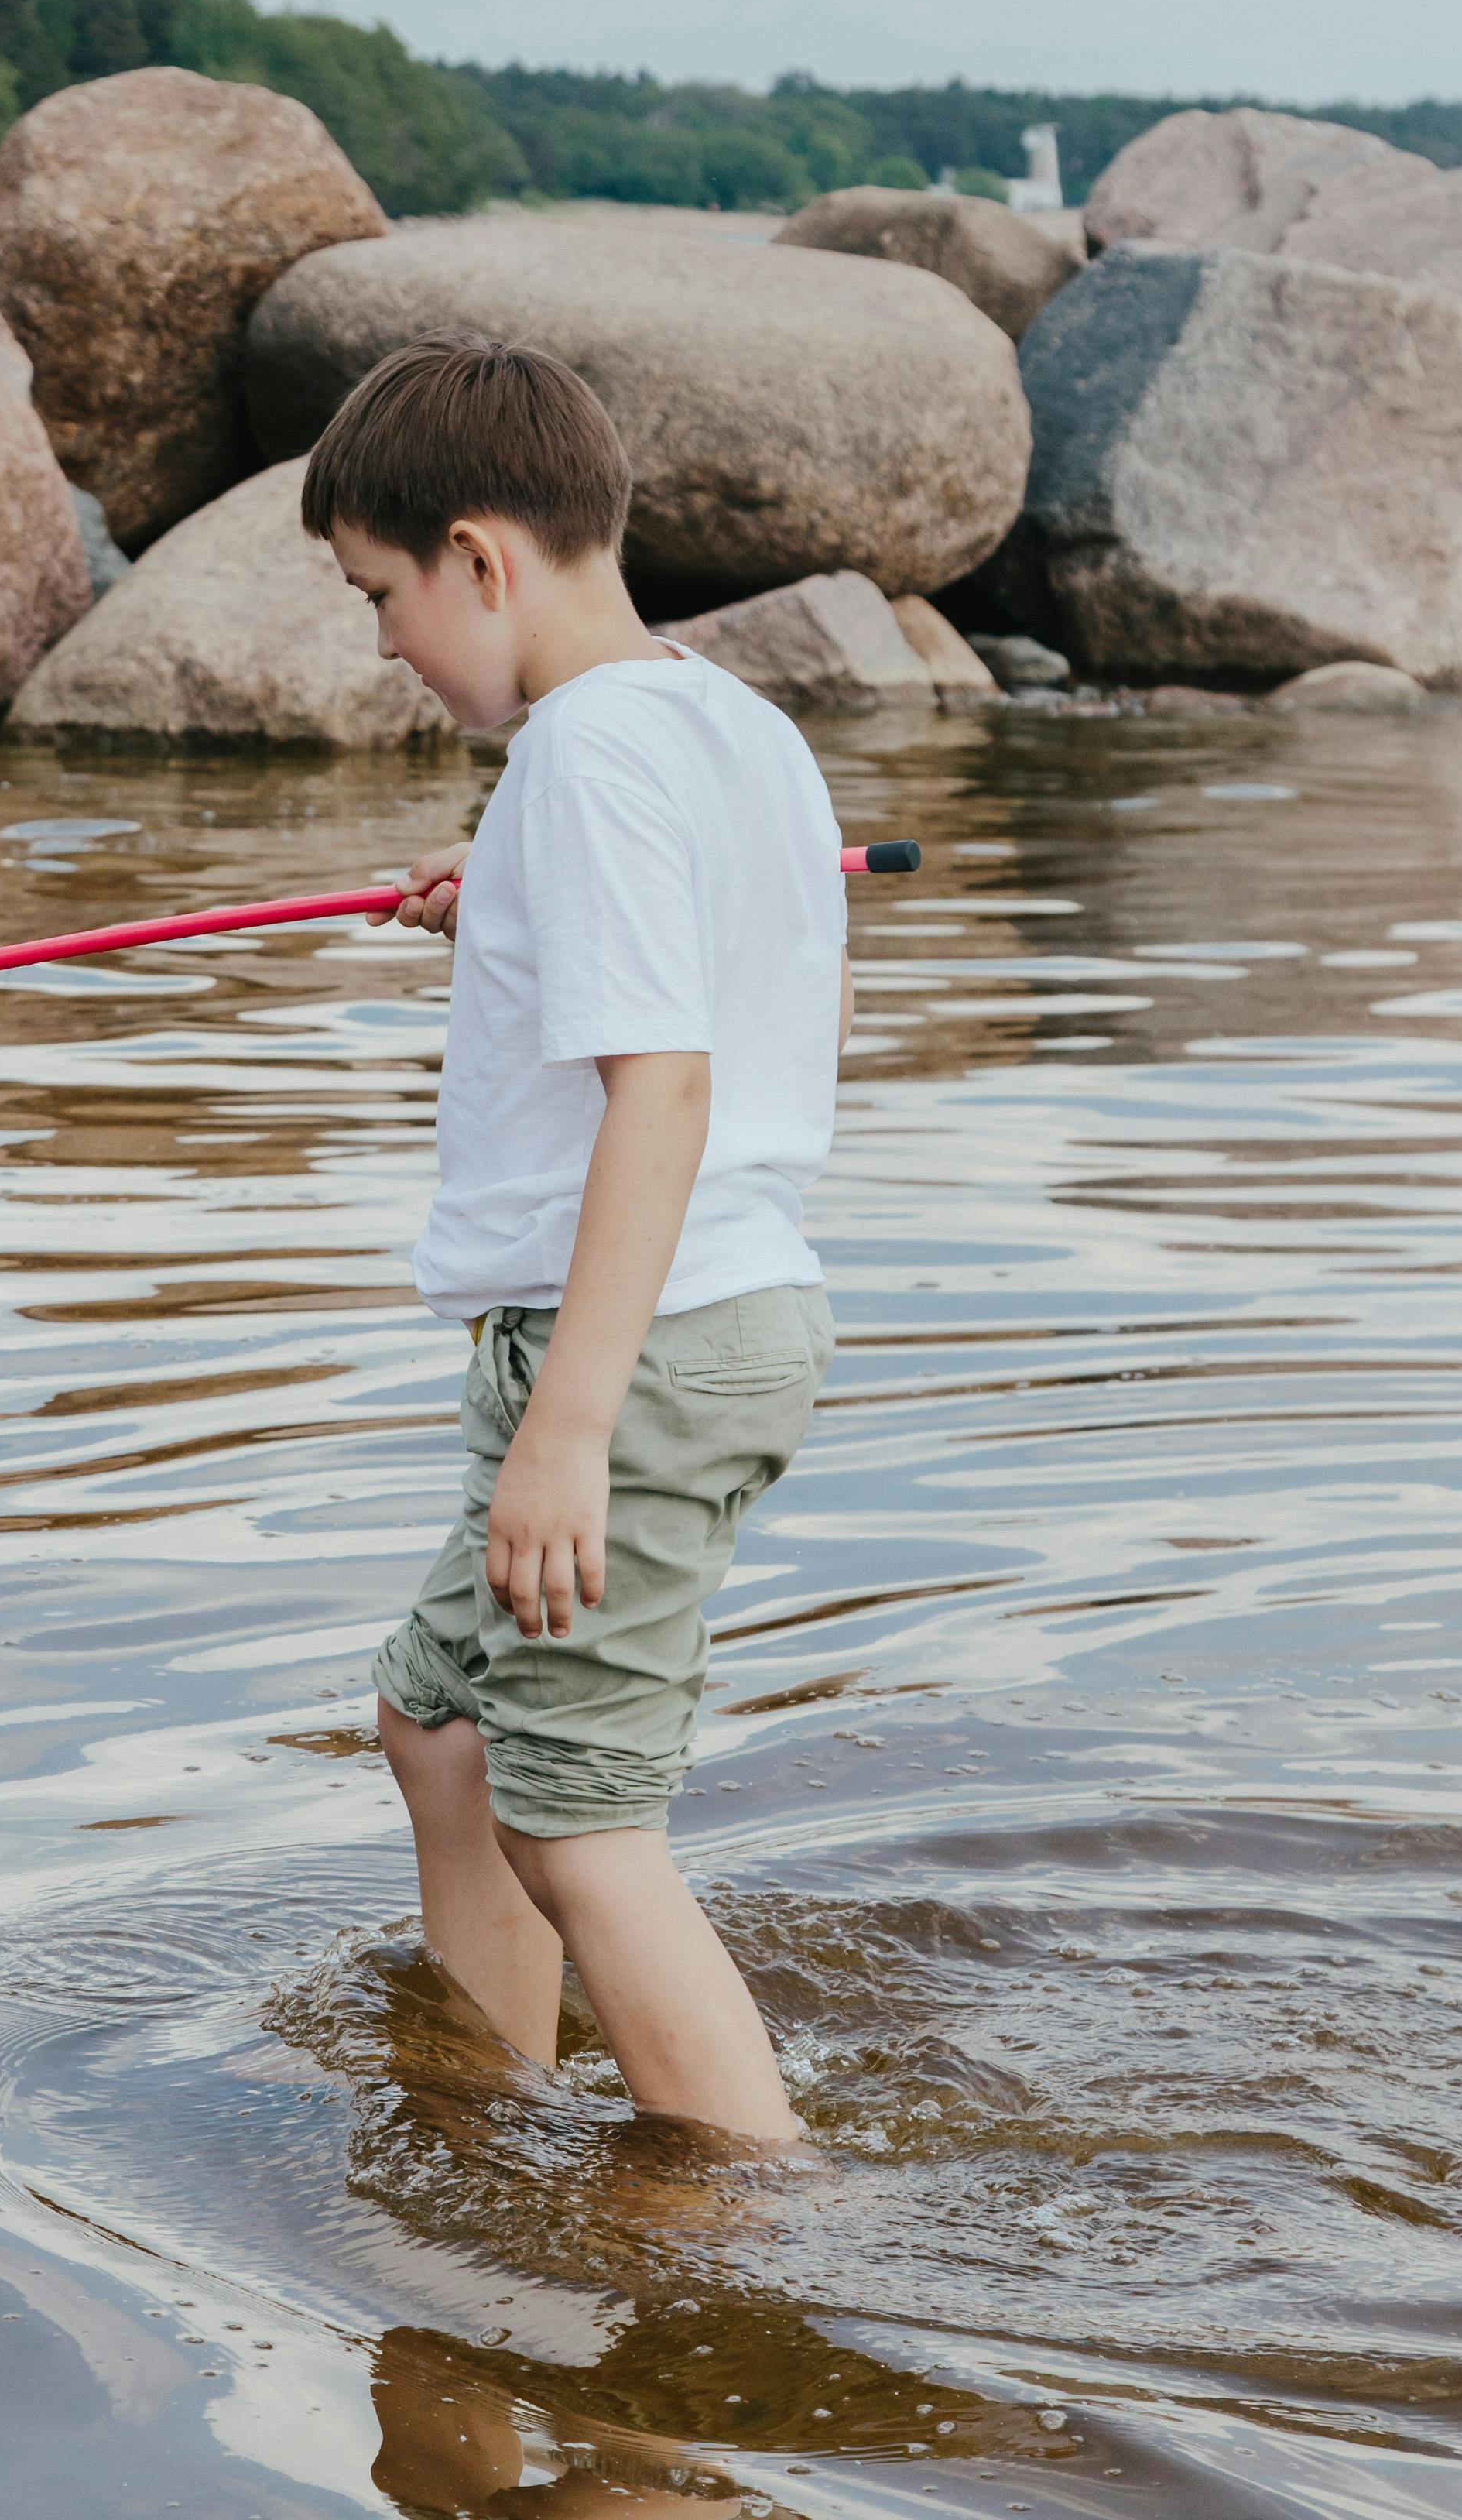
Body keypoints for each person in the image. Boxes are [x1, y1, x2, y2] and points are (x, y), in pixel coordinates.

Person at [302, 338, 847, 2150]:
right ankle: (489, 2107)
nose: (383, 643)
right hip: (708, 1312)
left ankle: (764, 2237)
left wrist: (569, 1425)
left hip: (639, 1349)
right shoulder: (721, 722)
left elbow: (663, 1091)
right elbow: (697, 938)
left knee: (577, 1819)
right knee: (434, 1728)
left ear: (477, 554)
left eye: (380, 596)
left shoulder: (582, 756)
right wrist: (510, 898)